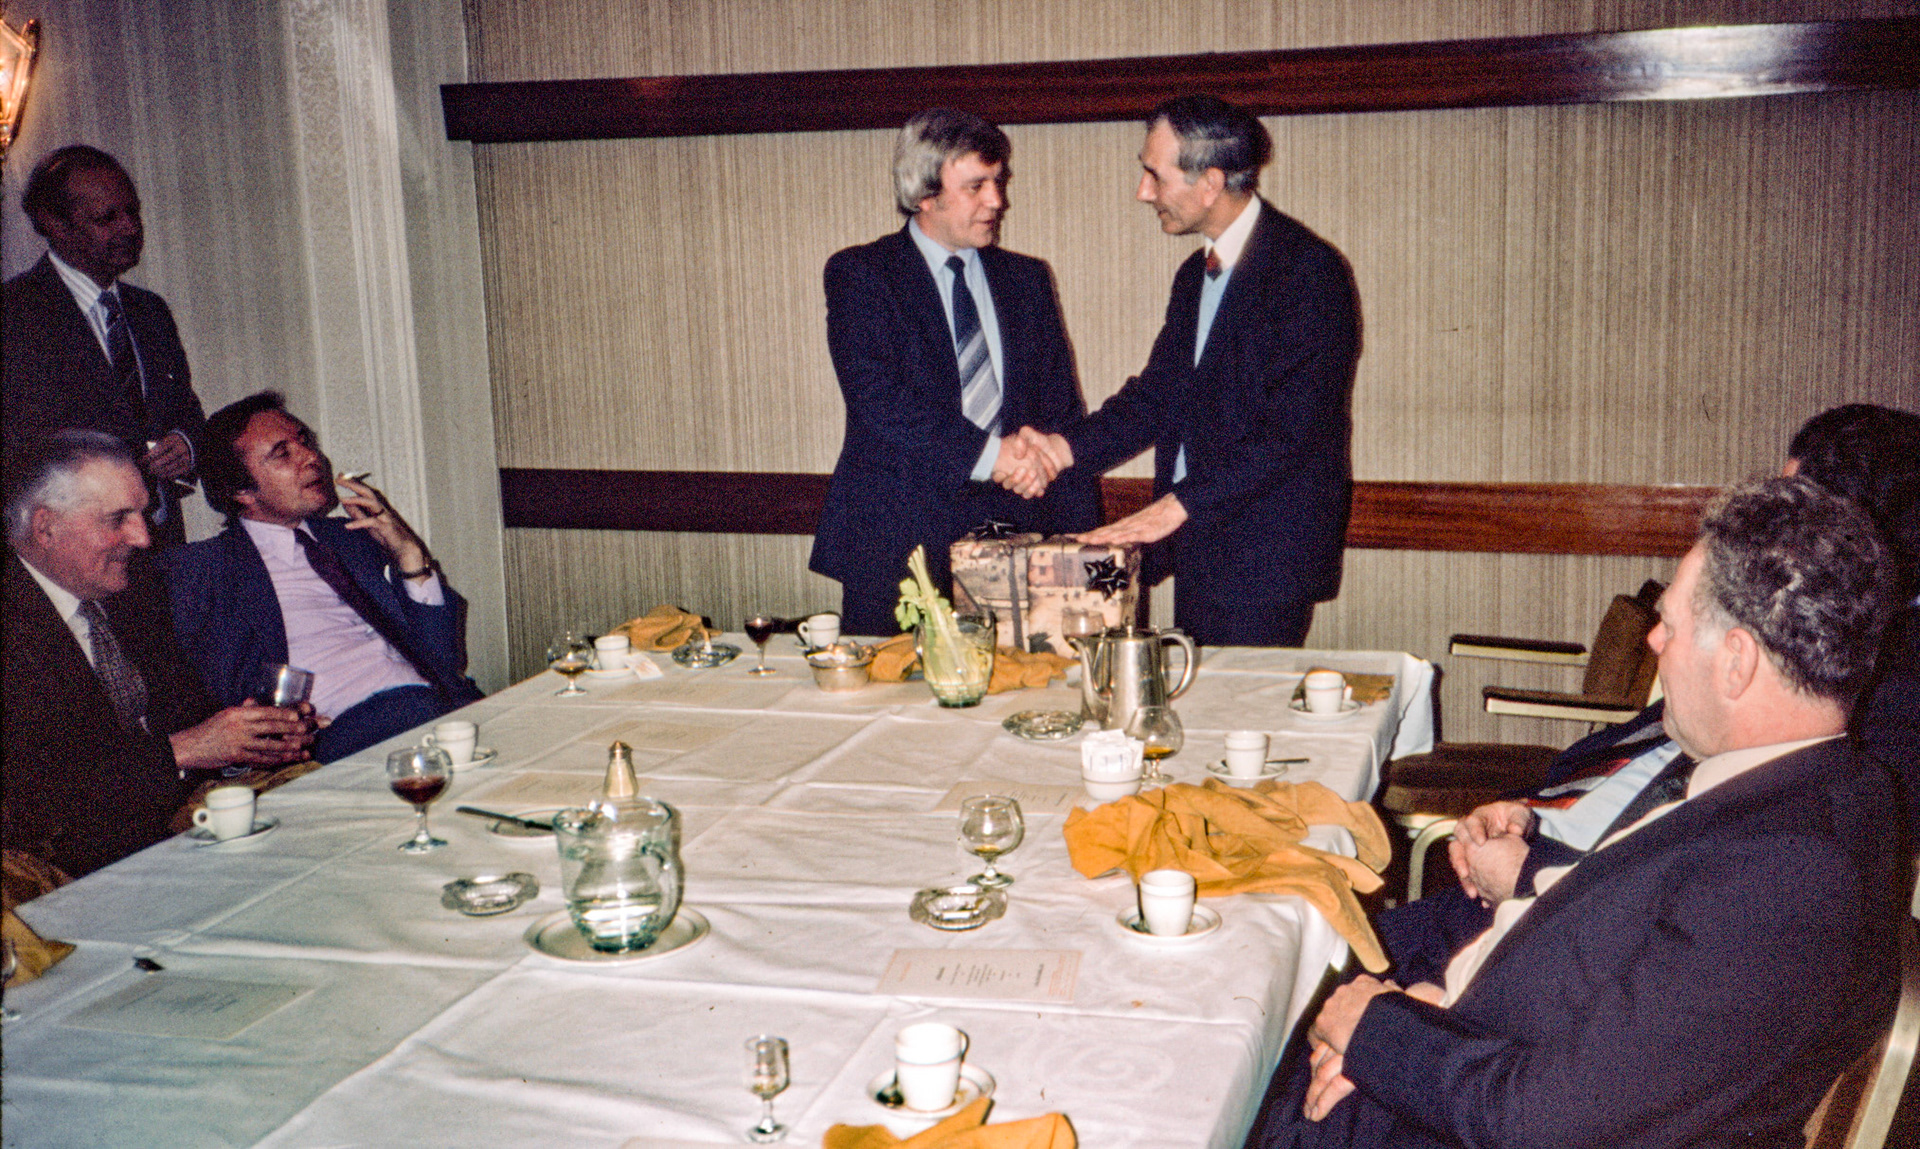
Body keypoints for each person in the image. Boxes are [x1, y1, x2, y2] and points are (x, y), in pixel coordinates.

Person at [1243, 476, 1903, 1148]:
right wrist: (1435, 1008)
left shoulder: (1787, 877)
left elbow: (1543, 1122)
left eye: (1669, 624)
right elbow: (1641, 983)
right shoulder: (1817, 787)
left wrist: (1377, 1032)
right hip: (1466, 1043)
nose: (1653, 642)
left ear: (1736, 662)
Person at [1008, 95, 1359, 646]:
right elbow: (1158, 397)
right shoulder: (1196, 275)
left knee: (1234, 725)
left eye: (1154, 174)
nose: (1142, 192)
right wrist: (1061, 449)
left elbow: (1291, 432)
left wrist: (1171, 510)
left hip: (1264, 560)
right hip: (1201, 545)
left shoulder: (1308, 272)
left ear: (1210, 182)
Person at [810, 108, 1100, 635]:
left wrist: (1083, 540)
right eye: (977, 186)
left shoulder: (1027, 279)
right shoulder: (862, 274)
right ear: (925, 194)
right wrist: (993, 456)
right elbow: (880, 400)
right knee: (891, 708)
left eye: (998, 182)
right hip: (901, 541)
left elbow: (1062, 409)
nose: (997, 201)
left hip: (1023, 540)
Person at [3, 431, 314, 878]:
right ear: (46, 527)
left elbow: (187, 711)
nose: (143, 537)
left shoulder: (134, 591)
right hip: (67, 871)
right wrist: (183, 750)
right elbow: (33, 802)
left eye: (142, 513)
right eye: (118, 519)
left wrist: (251, 737)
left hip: (167, 831)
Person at [161, 393, 483, 763]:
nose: (311, 457)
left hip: (434, 707)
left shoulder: (355, 535)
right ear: (241, 491)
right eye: (282, 453)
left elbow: (445, 659)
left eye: (304, 441)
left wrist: (409, 554)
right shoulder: (202, 571)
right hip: (348, 732)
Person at [3, 146, 206, 547]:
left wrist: (186, 444)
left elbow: (185, 409)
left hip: (160, 544)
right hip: (72, 553)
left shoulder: (150, 312)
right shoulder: (14, 315)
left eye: (133, 212)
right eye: (107, 218)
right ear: (54, 224)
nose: (130, 228)